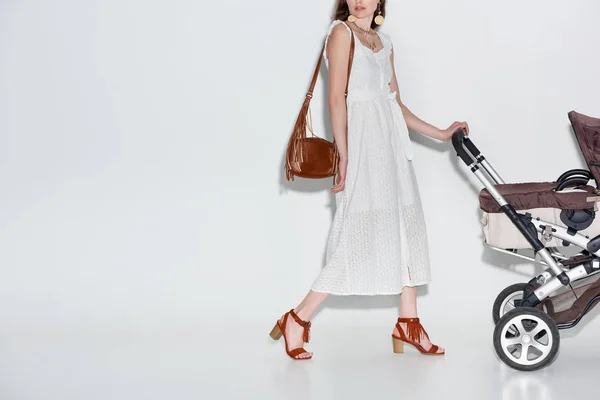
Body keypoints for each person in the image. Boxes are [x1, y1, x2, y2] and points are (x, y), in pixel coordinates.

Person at [271, 0, 469, 360]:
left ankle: (408, 322)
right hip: (361, 146)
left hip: (391, 147)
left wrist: (441, 133)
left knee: (405, 229)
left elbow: (396, 104)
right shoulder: (341, 33)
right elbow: (335, 100)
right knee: (353, 237)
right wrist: (345, 155)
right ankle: (297, 318)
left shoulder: (385, 42)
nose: (359, 0)